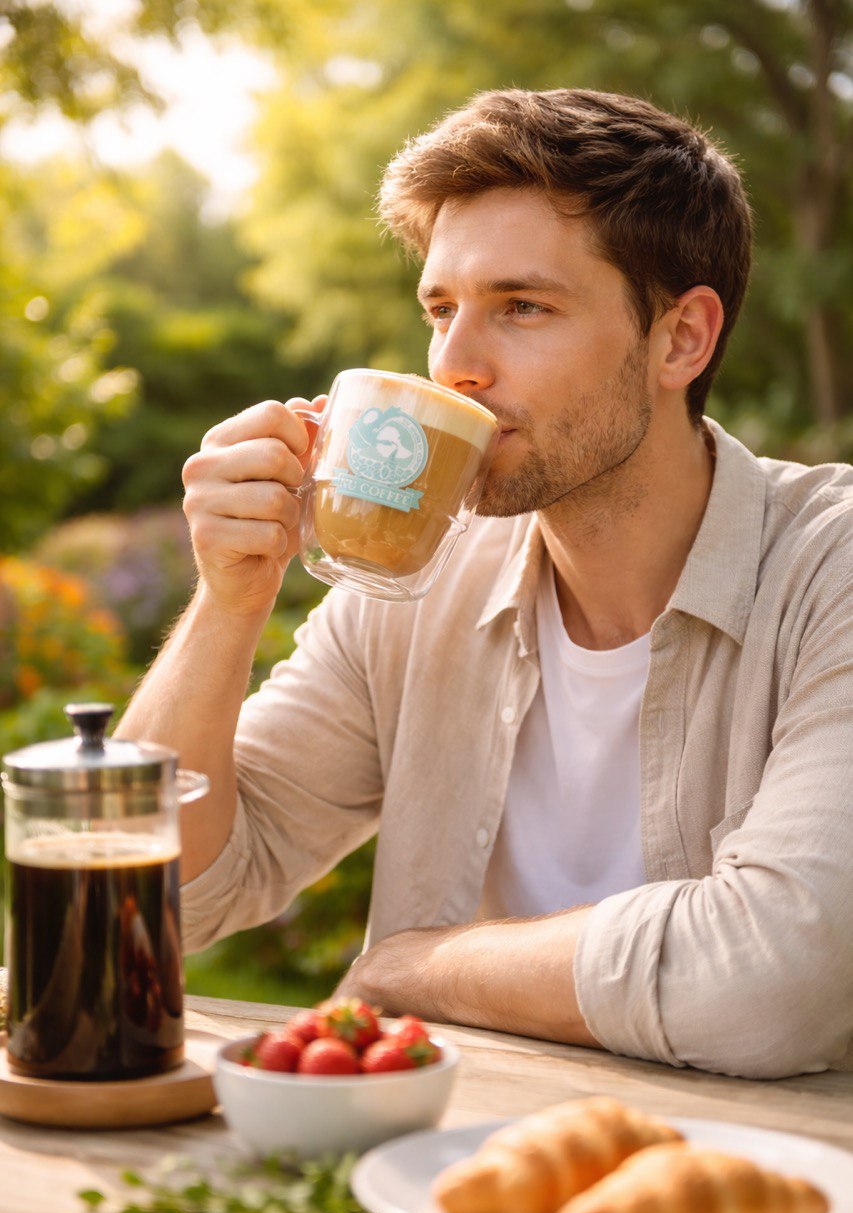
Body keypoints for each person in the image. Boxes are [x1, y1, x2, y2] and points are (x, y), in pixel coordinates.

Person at [119, 88, 853, 1081]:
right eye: (440, 310)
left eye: (521, 307)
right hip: (443, 1157)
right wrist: (228, 601)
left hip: (756, 1171)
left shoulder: (828, 568)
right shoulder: (421, 578)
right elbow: (157, 895)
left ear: (681, 338)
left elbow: (775, 980)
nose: (454, 365)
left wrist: (411, 967)